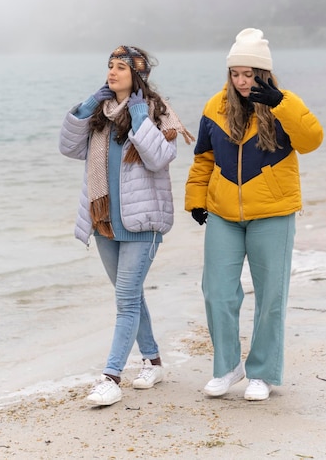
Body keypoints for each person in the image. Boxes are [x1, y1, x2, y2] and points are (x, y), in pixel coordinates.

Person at [185, 28, 323, 401]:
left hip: (273, 214)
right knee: (217, 292)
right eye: (236, 73)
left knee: (270, 296)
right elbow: (203, 159)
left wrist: (280, 103)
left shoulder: (284, 104)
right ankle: (228, 368)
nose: (242, 81)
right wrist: (197, 198)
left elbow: (312, 140)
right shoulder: (214, 106)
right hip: (224, 215)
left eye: (249, 74)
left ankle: (262, 372)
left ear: (264, 74)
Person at [59, 45, 194, 406]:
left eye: (121, 67)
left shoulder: (156, 111)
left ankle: (111, 377)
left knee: (125, 300)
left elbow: (160, 158)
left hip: (143, 222)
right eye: (109, 65)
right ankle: (153, 361)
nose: (112, 72)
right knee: (130, 296)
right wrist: (85, 107)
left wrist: (138, 117)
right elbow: (68, 148)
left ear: (138, 74)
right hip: (104, 222)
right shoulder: (100, 114)